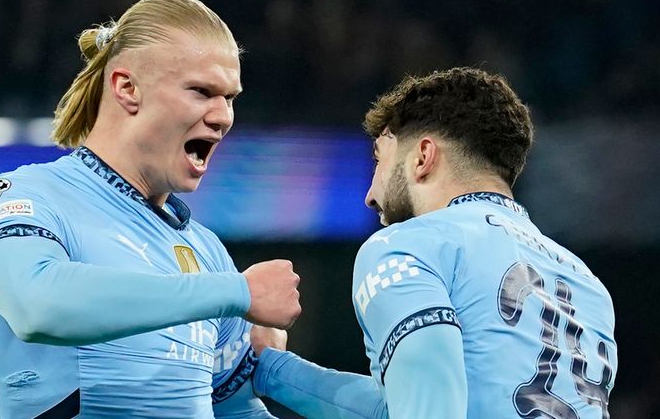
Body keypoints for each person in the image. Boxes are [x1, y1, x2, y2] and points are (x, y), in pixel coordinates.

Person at [0, 0, 301, 418]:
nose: (223, 116)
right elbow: (38, 305)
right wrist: (237, 292)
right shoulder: (25, 196)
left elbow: (237, 410)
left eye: (230, 98)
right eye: (202, 91)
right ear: (127, 89)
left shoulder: (207, 251)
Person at [251, 67, 617, 418]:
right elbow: (411, 406)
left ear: (423, 157)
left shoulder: (406, 246)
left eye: (379, 159)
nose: (369, 195)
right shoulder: (590, 286)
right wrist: (272, 370)